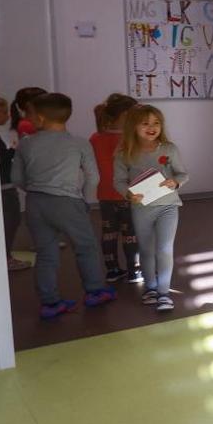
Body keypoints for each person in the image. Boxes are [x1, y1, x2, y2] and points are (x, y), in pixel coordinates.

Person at [12, 93, 116, 319]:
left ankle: (50, 303)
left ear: (40, 118)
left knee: (45, 254)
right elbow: (93, 177)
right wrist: (85, 200)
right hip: (68, 202)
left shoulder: (26, 143)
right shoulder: (79, 143)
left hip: (35, 203)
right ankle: (95, 292)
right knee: (85, 247)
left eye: (30, 115)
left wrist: (35, 190)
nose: (28, 119)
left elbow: (16, 178)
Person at [114, 105, 188, 313]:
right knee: (146, 249)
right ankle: (151, 288)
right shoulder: (124, 154)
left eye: (156, 123)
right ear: (133, 126)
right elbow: (118, 181)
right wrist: (128, 194)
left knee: (164, 249)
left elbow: (183, 174)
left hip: (168, 206)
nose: (151, 127)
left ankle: (164, 293)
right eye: (145, 123)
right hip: (142, 208)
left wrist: (175, 182)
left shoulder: (169, 149)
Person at [91, 93, 141, 284]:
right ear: (126, 116)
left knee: (109, 233)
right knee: (131, 234)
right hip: (128, 194)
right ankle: (134, 271)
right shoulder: (131, 139)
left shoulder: (95, 138)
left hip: (105, 195)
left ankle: (112, 271)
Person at [0, 96, 28, 272]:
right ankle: (5, 258)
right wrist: (13, 151)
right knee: (10, 221)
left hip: (3, 186)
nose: (8, 115)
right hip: (4, 187)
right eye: (3, 112)